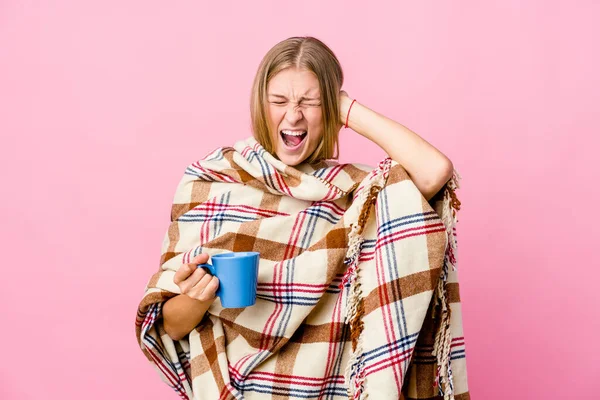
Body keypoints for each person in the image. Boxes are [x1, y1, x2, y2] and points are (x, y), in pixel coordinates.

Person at [136, 36, 469, 400]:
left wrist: (348, 109)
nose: (292, 116)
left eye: (310, 102)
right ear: (259, 105)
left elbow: (435, 171)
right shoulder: (211, 181)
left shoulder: (357, 194)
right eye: (278, 101)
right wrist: (197, 299)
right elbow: (171, 325)